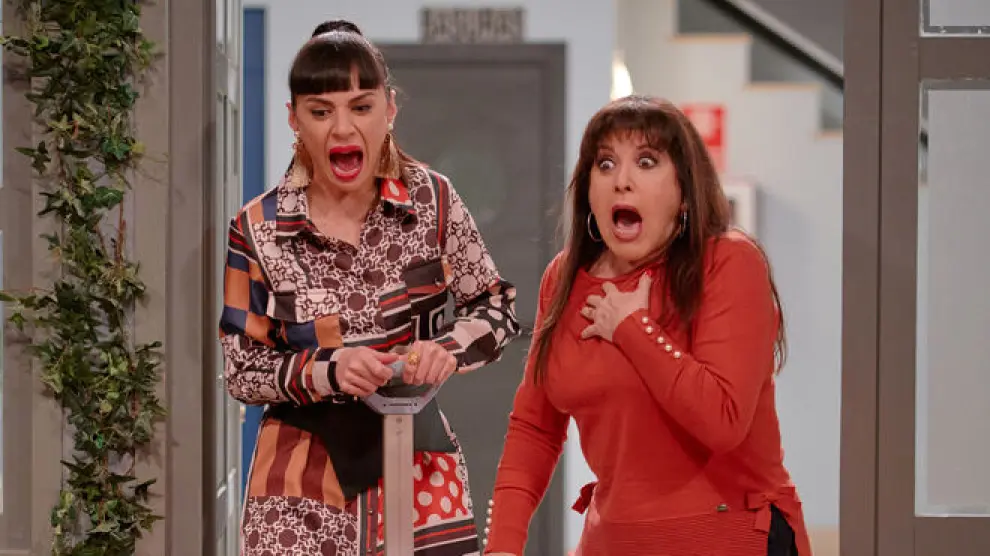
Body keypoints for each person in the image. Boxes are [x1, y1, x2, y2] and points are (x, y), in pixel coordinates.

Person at [219, 19, 520, 555]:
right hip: (298, 486)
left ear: (389, 109)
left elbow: (495, 307)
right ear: (293, 118)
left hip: (420, 467)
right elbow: (242, 370)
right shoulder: (257, 228)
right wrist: (328, 370)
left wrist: (447, 349)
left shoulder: (433, 199)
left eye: (360, 107)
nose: (342, 128)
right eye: (320, 111)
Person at [483, 95, 811, 556]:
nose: (622, 180)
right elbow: (535, 427)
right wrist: (502, 545)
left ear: (684, 191)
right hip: (613, 542)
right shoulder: (564, 278)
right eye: (605, 164)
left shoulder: (729, 263)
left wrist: (634, 328)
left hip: (731, 538)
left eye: (646, 161)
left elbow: (722, 421)